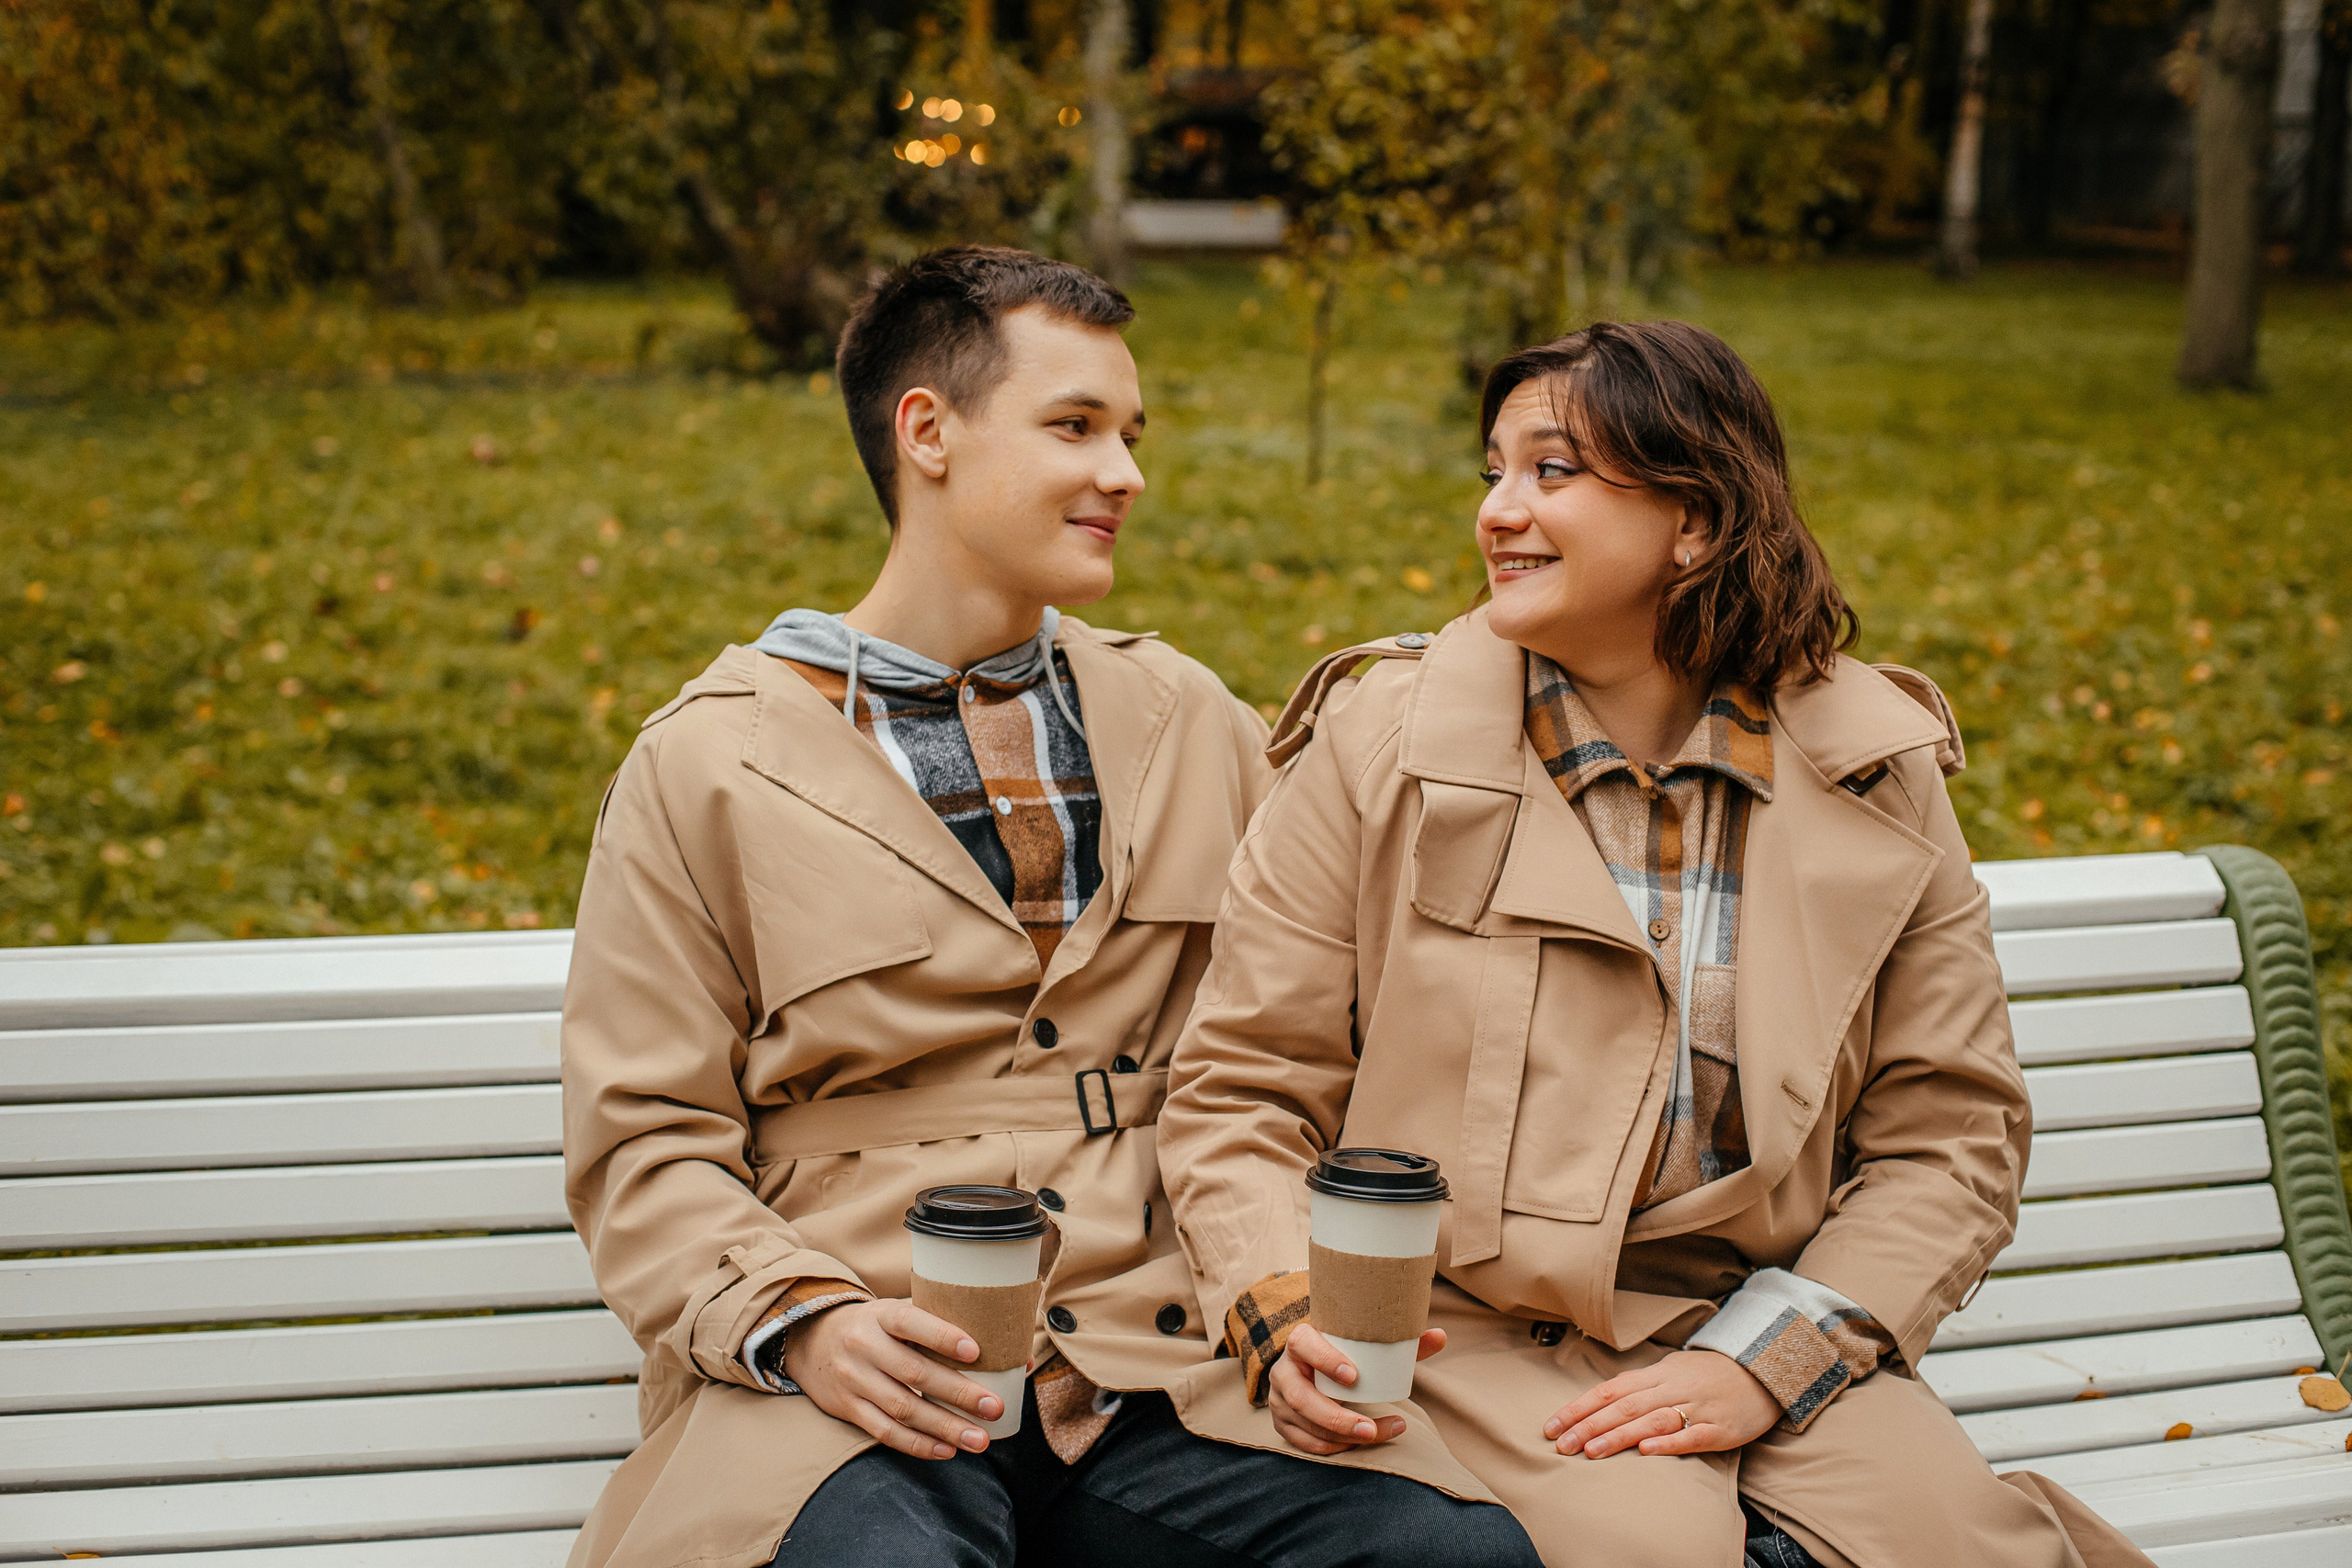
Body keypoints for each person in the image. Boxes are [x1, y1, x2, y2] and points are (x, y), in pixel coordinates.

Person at [560, 245, 1541, 1568]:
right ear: (930, 434)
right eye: (1074, 427)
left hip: (1163, 1368)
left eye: (1130, 434)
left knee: (1448, 1559)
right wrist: (803, 1321)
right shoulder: (709, 761)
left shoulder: (1188, 718)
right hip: (859, 1387)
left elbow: (1302, 1032)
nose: (1125, 473)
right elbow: (644, 1144)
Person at [1157, 320, 2156, 1567]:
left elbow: (1950, 1138)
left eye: (1552, 472)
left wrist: (1769, 1365)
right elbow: (1242, 1093)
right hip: (1456, 1333)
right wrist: (1286, 1307)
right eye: (1494, 473)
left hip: (1755, 1315)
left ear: (1694, 521)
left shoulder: (1874, 772)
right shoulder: (1381, 747)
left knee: (1973, 1552)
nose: (1499, 513)